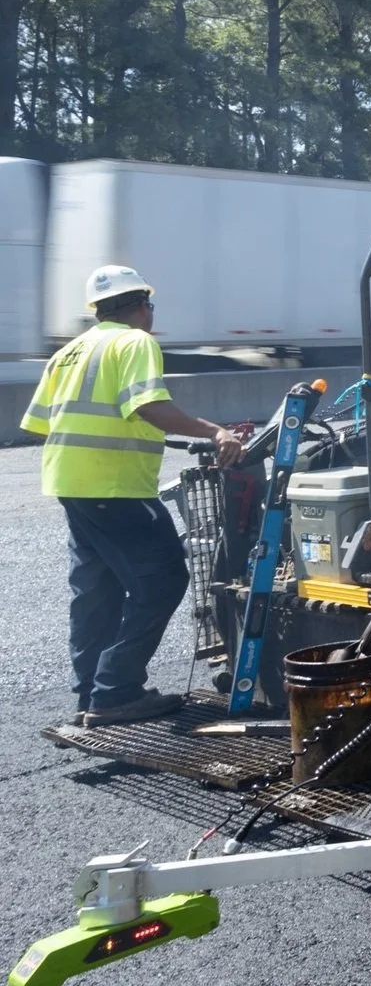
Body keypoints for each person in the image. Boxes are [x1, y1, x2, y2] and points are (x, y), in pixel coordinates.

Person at [19, 266, 244, 726]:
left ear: (98, 309)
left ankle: (91, 694)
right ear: (142, 306)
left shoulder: (67, 353)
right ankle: (117, 689)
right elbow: (146, 406)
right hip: (115, 487)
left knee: (96, 591)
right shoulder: (135, 342)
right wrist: (215, 430)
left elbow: (43, 422)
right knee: (163, 581)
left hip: (71, 484)